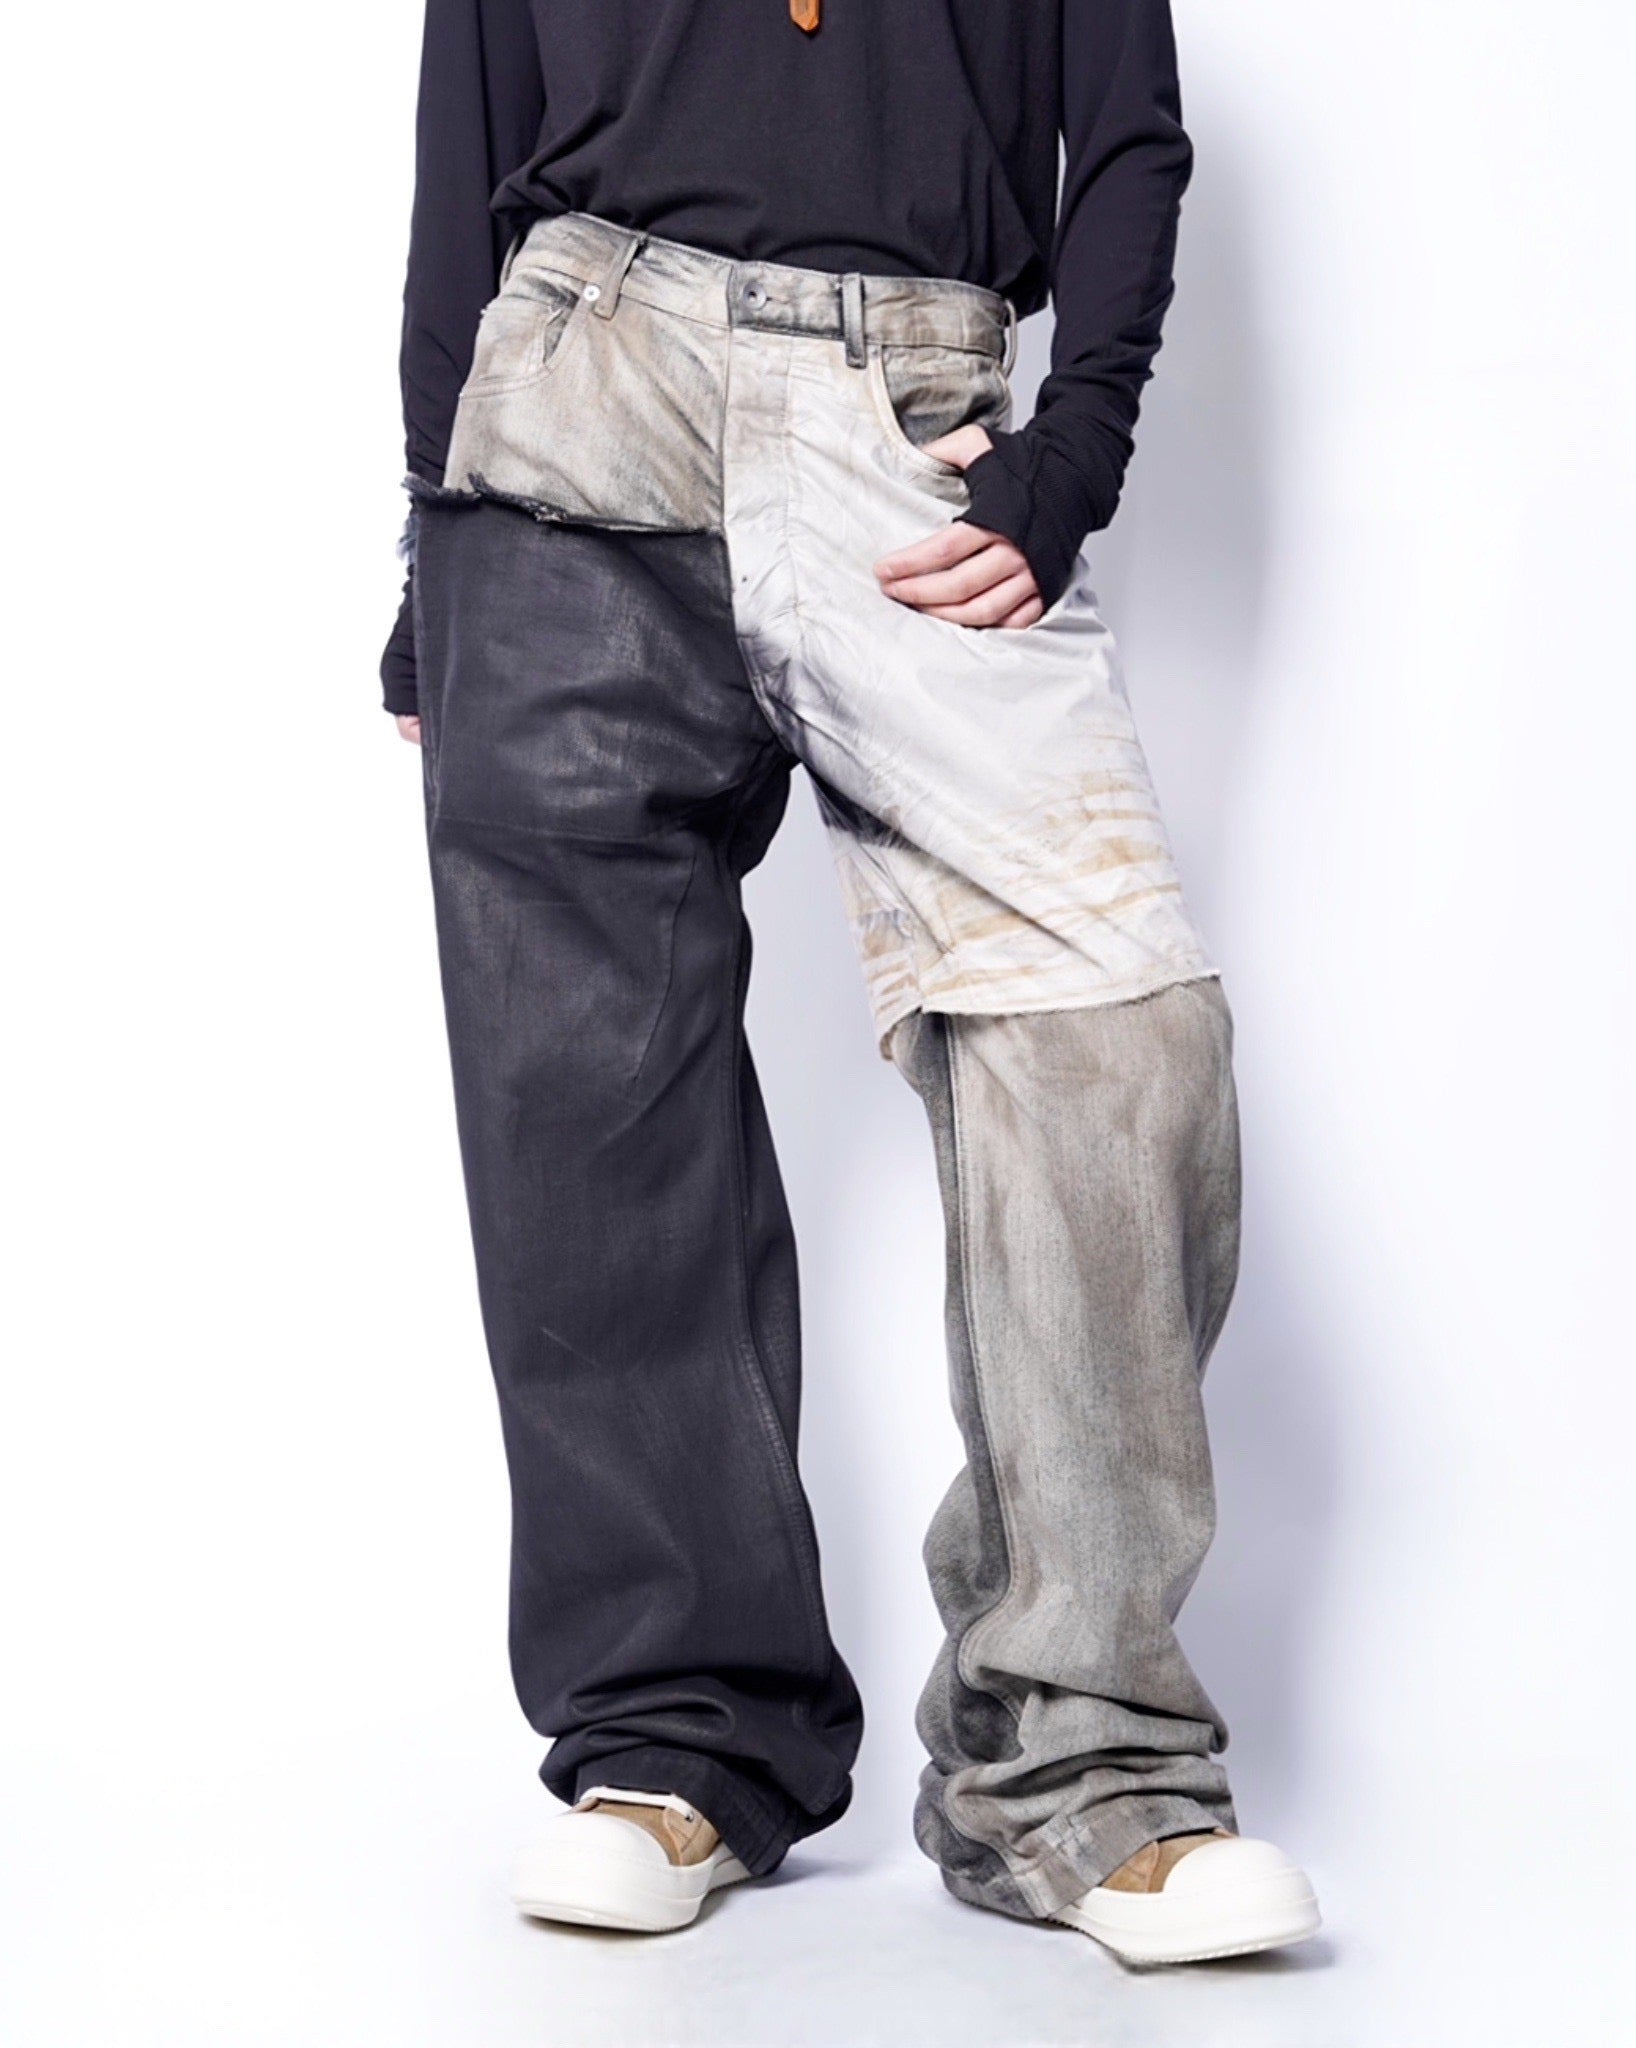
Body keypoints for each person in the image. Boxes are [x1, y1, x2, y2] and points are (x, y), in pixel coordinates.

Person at [383, 0, 1320, 1966]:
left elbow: (1124, 131)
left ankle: (1079, 1764)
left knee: (1111, 1036)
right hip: (567, 422)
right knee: (584, 1104)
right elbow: (466, 150)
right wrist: (428, 546)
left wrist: (1070, 456)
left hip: (912, 424)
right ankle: (676, 1739)